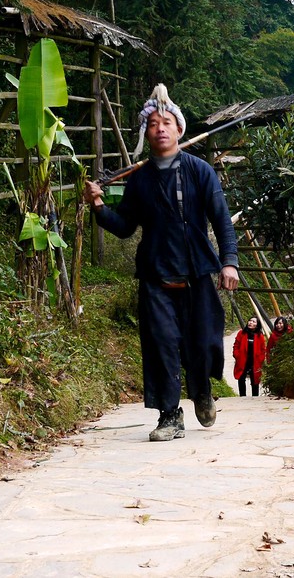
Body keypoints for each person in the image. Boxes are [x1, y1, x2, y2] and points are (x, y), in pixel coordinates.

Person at [82, 84, 239, 442]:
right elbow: (124, 228)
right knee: (162, 344)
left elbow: (222, 220)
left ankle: (201, 390)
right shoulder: (139, 180)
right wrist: (98, 206)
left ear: (179, 129)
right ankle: (170, 415)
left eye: (167, 121)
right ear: (146, 132)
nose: (160, 128)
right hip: (156, 276)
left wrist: (229, 262)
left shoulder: (201, 172)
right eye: (152, 123)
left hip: (197, 273)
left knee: (203, 343)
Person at [232, 316, 268, 397]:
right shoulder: (241, 333)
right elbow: (236, 345)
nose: (250, 322)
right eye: (250, 320)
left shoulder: (260, 336)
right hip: (242, 360)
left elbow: (263, 349)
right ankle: (242, 396)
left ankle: (255, 398)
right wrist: (237, 355)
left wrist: (260, 359)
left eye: (253, 321)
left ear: (257, 325)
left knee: (255, 380)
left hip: (255, 361)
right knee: (241, 379)